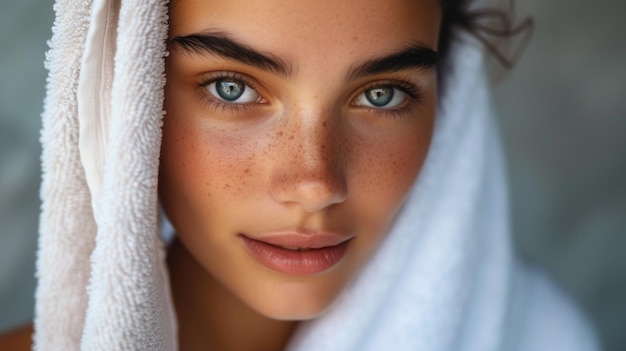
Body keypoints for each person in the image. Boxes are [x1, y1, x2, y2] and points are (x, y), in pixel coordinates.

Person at [0, 0, 600, 350]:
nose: (315, 182)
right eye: (231, 89)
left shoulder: (536, 334)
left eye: (382, 95)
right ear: (128, 91)